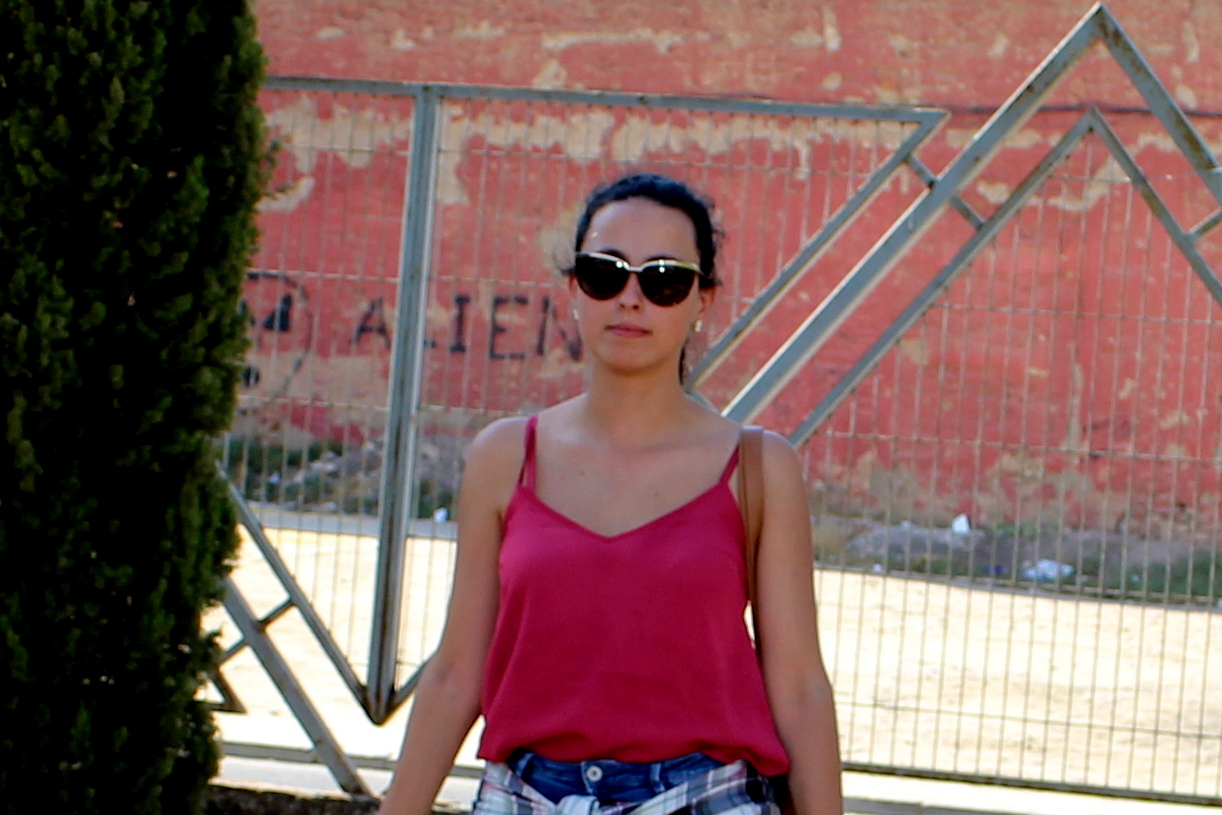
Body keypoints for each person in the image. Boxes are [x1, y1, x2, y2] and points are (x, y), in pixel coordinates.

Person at [378, 173, 842, 815]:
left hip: (703, 797)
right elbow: (458, 671)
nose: (631, 298)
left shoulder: (758, 469)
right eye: (606, 273)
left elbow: (798, 688)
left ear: (702, 300)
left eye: (663, 280)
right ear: (574, 289)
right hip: (526, 798)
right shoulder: (504, 458)